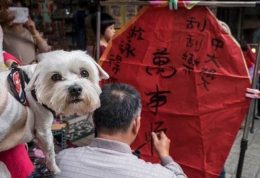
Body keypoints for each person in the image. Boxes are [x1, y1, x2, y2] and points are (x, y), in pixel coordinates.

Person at [55, 83, 187, 178]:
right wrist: (165, 156)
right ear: (136, 124)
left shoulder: (63, 159)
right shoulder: (160, 175)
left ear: (94, 120)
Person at [2, 0, 51, 65]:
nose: (17, 13)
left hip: (31, 70)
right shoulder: (3, 32)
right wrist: (5, 22)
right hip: (14, 71)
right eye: (14, 10)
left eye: (20, 10)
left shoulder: (31, 31)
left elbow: (46, 50)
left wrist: (34, 32)